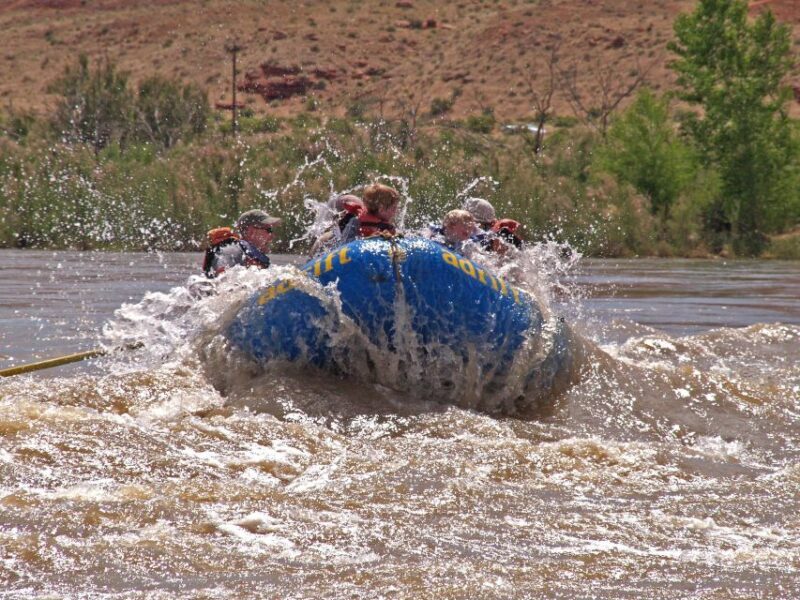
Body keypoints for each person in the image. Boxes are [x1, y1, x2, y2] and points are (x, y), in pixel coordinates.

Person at [202, 209, 280, 278]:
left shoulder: (253, 256)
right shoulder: (231, 250)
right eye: (269, 230)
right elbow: (223, 281)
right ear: (251, 231)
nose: (272, 236)